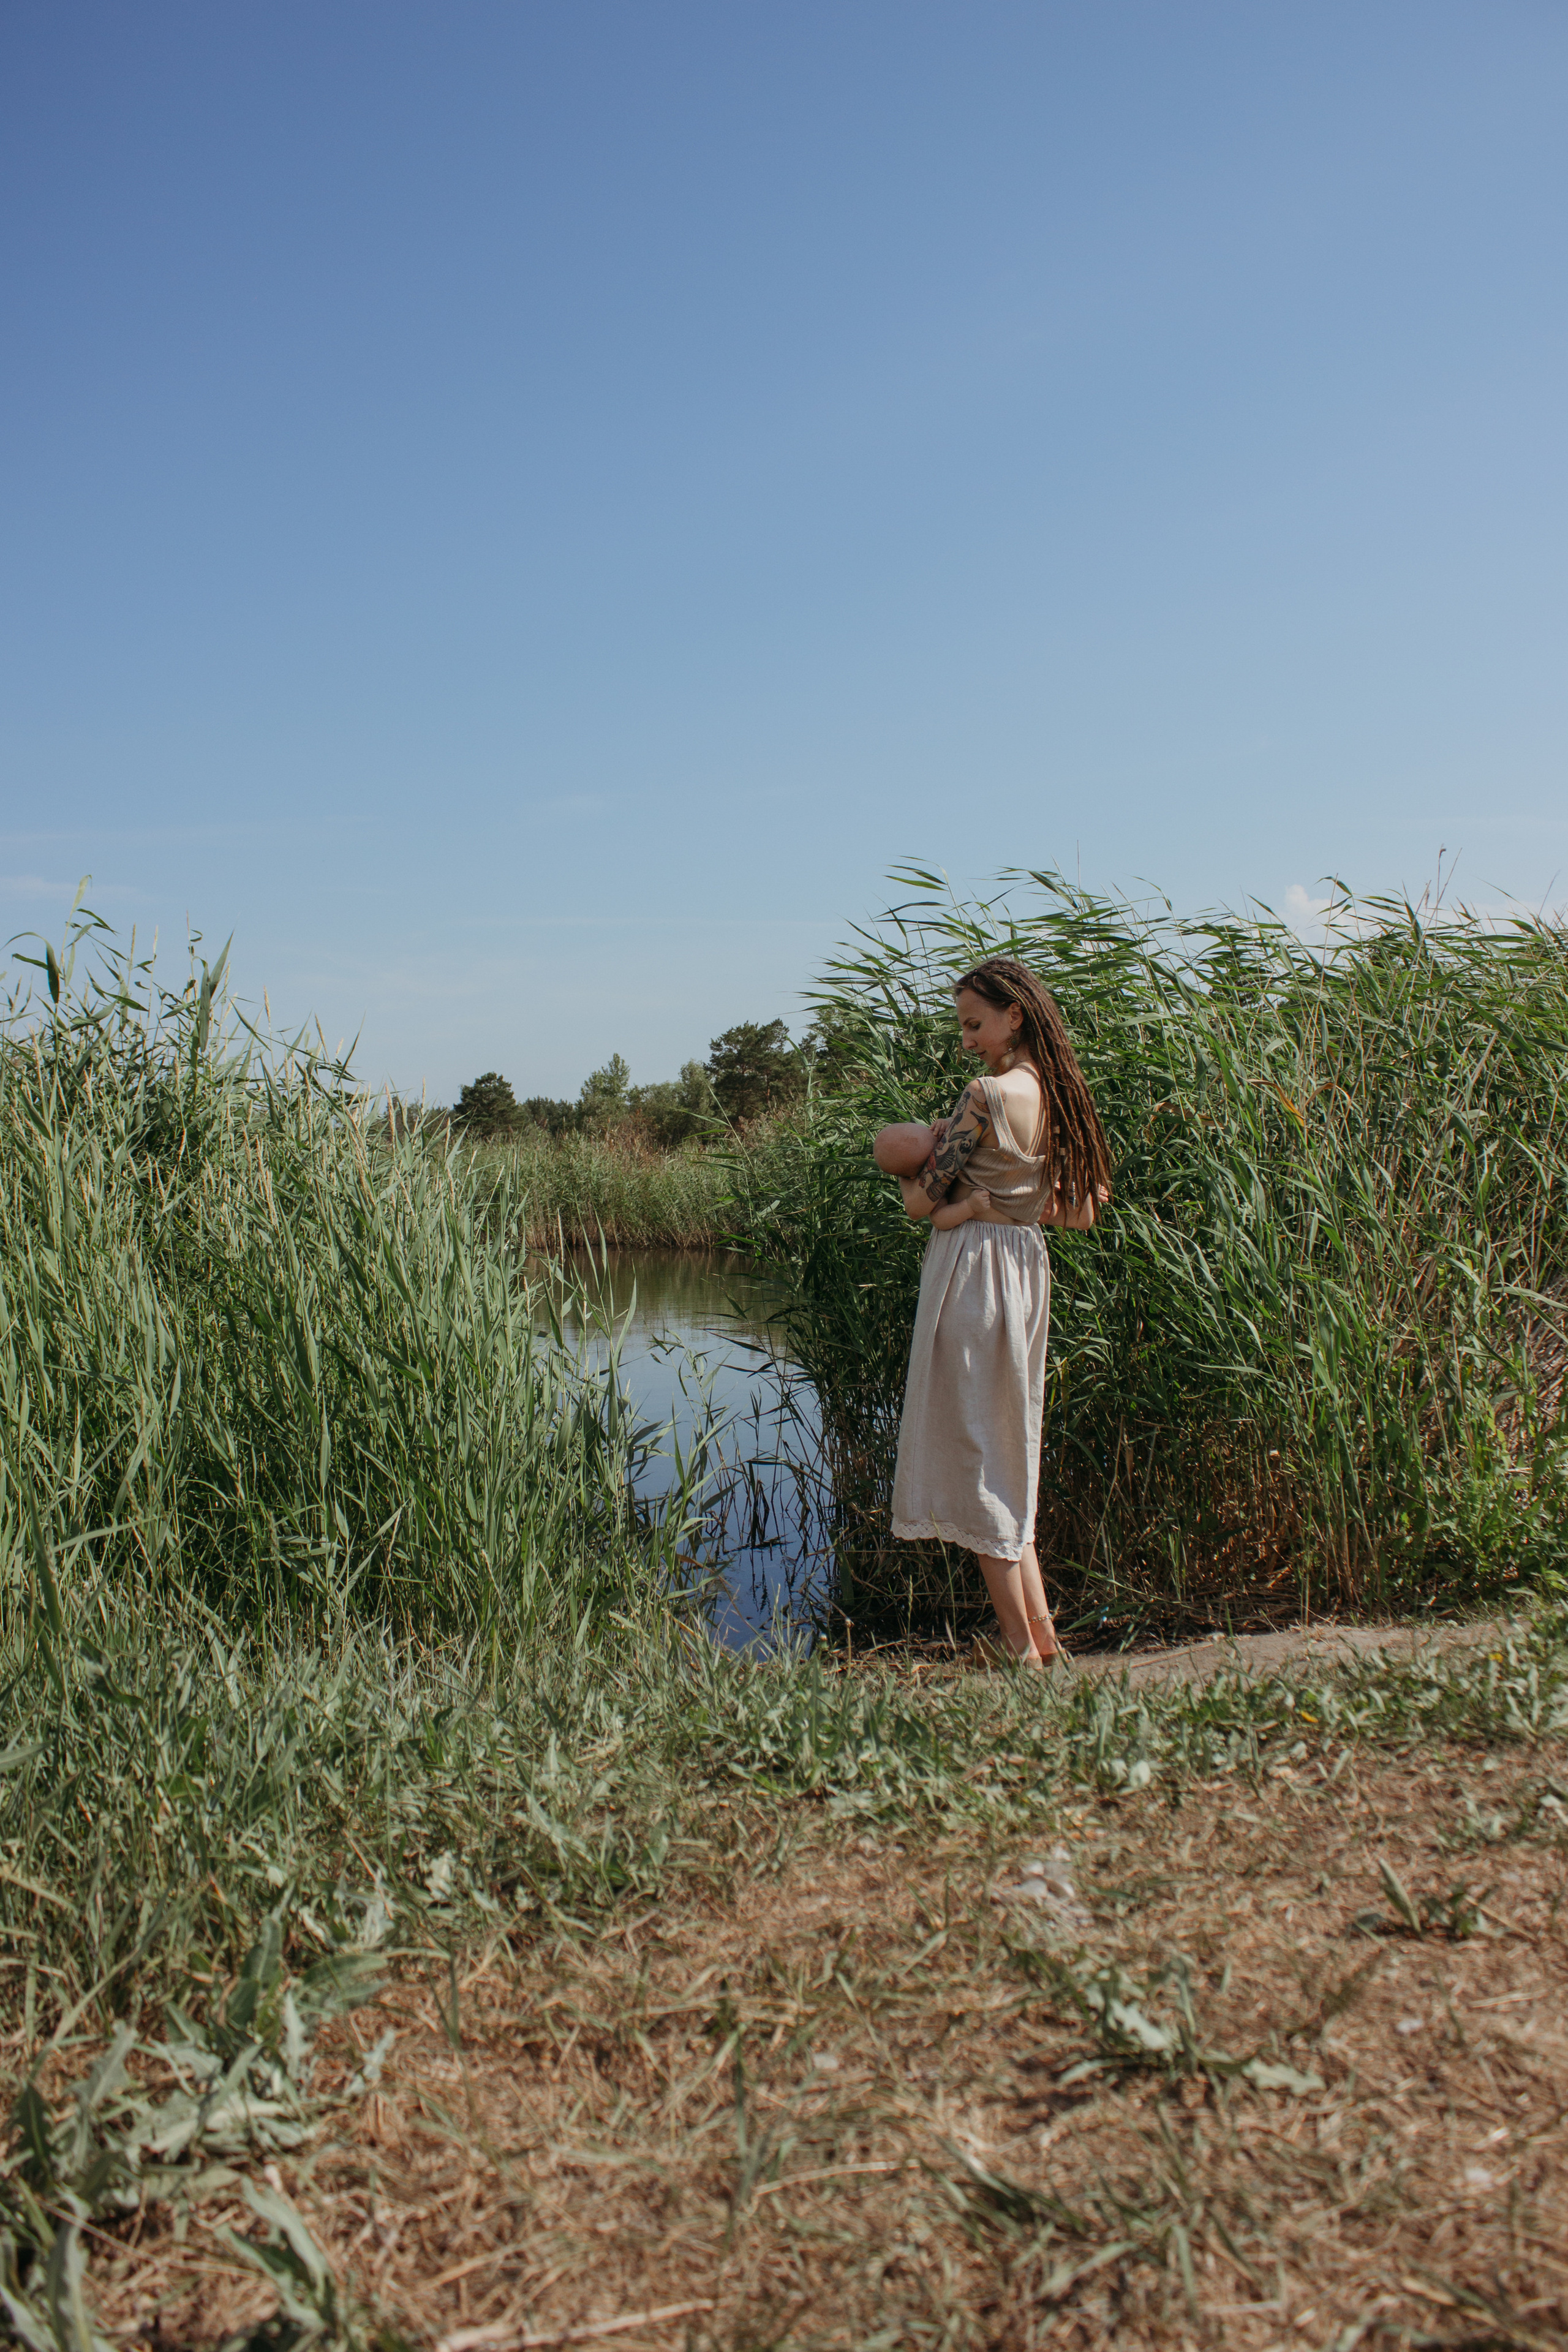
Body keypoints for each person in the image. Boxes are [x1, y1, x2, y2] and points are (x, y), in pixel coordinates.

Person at [880, 959, 1113, 1667]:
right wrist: (1015, 1205)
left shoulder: (985, 1097)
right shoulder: (1063, 1096)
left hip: (973, 1274)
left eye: (973, 1024)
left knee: (979, 1457)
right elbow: (1083, 1211)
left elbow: (919, 1203)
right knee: (1008, 1450)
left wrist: (957, 1202)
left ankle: (1019, 1650)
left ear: (1015, 1016)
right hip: (1024, 1266)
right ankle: (1044, 1638)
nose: (966, 1041)